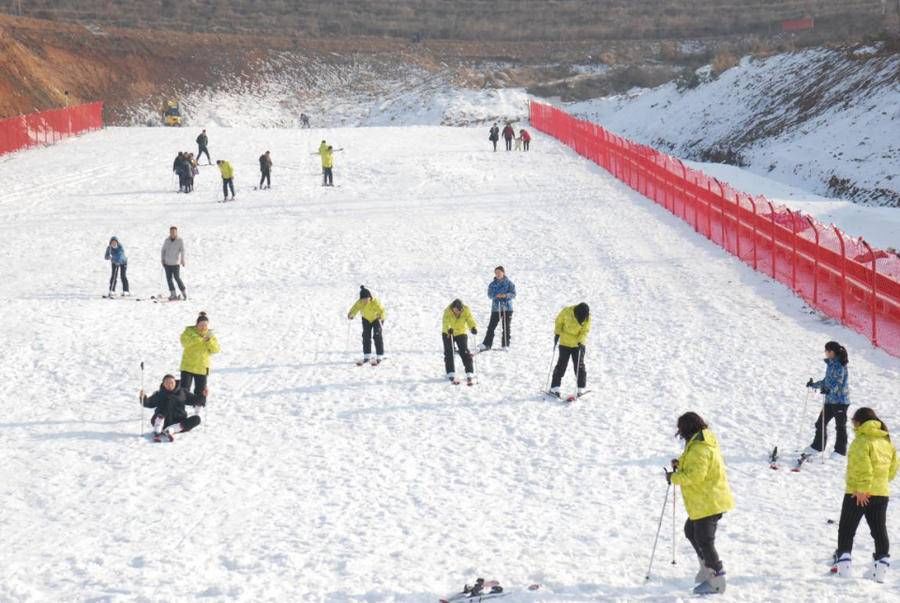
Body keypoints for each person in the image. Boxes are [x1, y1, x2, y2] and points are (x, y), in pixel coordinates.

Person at [668, 412, 735, 595]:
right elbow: (694, 463)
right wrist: (679, 463)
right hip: (705, 501)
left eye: (681, 430)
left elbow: (696, 475)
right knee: (691, 531)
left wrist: (674, 477)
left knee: (705, 540)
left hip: (709, 501)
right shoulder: (700, 440)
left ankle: (717, 580)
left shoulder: (700, 447)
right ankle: (707, 568)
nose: (680, 434)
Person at [831, 407, 897, 581]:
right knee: (879, 530)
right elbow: (893, 468)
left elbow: (863, 467)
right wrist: (880, 484)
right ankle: (880, 569)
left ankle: (844, 568)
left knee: (846, 529)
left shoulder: (862, 441)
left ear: (859, 421)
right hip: (881, 493)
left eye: (853, 421)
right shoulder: (886, 441)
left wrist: (862, 489)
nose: (853, 425)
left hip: (858, 493)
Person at [806, 341, 850, 457]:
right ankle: (818, 447)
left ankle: (840, 452)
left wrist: (830, 390)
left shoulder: (840, 365)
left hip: (840, 401)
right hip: (830, 401)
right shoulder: (830, 364)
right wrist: (813, 385)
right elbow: (827, 381)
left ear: (832, 352)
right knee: (820, 423)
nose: (825, 353)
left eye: (826, 350)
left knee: (840, 426)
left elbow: (839, 383)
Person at [140, 374, 206, 442]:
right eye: (167, 383)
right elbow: (148, 403)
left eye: (172, 383)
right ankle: (159, 425)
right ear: (163, 384)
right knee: (168, 400)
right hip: (163, 421)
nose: (170, 385)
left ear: (175, 382)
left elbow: (194, 400)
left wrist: (203, 395)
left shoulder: (182, 392)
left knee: (197, 419)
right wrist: (143, 397)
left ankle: (171, 430)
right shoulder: (159, 394)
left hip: (179, 422)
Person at [549, 303, 590, 397]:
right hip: (565, 343)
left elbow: (585, 330)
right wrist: (557, 333)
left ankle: (581, 388)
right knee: (561, 364)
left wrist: (580, 341)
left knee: (579, 365)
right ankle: (554, 387)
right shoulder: (567, 311)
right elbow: (558, 321)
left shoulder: (587, 316)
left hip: (578, 344)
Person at [180, 311, 220, 402]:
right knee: (184, 390)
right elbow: (184, 343)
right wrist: (200, 339)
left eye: (205, 325)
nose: (203, 327)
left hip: (202, 367)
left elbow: (216, 350)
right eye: (201, 325)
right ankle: (180, 409)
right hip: (187, 366)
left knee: (201, 391)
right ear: (196, 324)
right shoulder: (188, 332)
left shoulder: (210, 336)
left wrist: (208, 341)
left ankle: (198, 409)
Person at [477, 266, 515, 352]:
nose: (497, 274)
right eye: (496, 273)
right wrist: (496, 295)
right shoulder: (492, 284)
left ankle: (505, 344)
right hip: (496, 308)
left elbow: (513, 294)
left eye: (499, 272)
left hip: (507, 308)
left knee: (506, 326)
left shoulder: (509, 283)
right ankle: (487, 344)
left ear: (503, 273)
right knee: (491, 326)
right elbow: (490, 295)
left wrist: (505, 295)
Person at [347, 285, 387, 366]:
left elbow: (382, 310)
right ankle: (367, 355)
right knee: (366, 336)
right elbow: (355, 308)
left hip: (376, 319)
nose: (365, 301)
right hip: (366, 319)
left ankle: (380, 355)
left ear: (370, 297)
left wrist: (381, 317)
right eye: (363, 299)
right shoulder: (360, 302)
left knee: (377, 335)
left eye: (366, 299)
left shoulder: (375, 301)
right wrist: (351, 314)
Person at [442, 299, 478, 385]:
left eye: (459, 310)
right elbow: (445, 322)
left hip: (461, 332)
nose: (458, 312)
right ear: (453, 308)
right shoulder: (447, 311)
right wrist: (448, 329)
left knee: (464, 351)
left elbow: (469, 319)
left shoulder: (466, 310)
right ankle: (451, 372)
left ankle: (469, 372)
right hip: (448, 333)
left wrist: (473, 327)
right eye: (456, 310)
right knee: (449, 351)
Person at [161, 225, 186, 301]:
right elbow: (163, 250)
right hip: (167, 263)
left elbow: (182, 251)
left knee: (177, 278)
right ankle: (173, 294)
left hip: (175, 263)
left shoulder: (180, 240)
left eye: (174, 232)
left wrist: (182, 260)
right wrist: (162, 259)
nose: (172, 233)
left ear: (176, 232)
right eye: (171, 232)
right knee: (169, 279)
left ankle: (184, 292)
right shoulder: (167, 240)